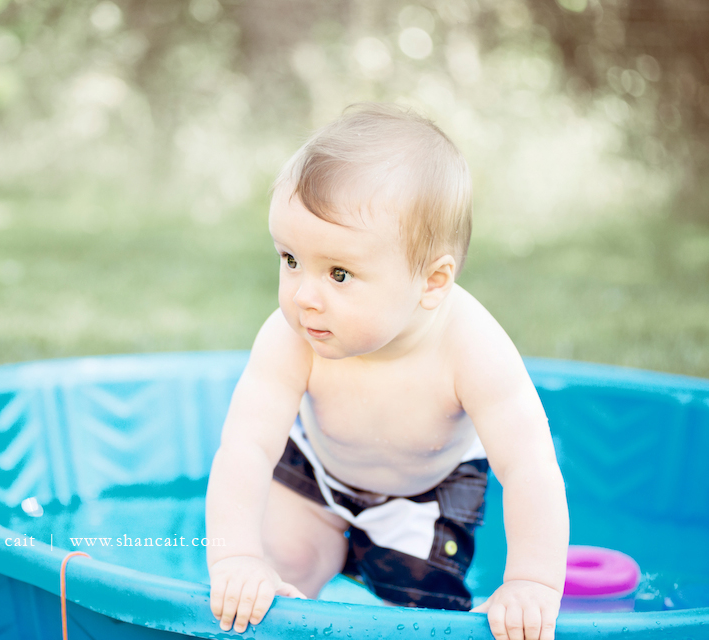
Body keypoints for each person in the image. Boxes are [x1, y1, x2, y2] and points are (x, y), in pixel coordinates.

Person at [205, 103, 568, 640]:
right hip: (318, 473)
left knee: (421, 623)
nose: (305, 296)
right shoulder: (290, 337)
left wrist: (532, 582)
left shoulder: (472, 347)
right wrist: (236, 557)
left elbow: (528, 464)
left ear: (432, 282)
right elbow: (246, 447)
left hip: (425, 493)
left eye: (340, 273)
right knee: (268, 589)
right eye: (290, 260)